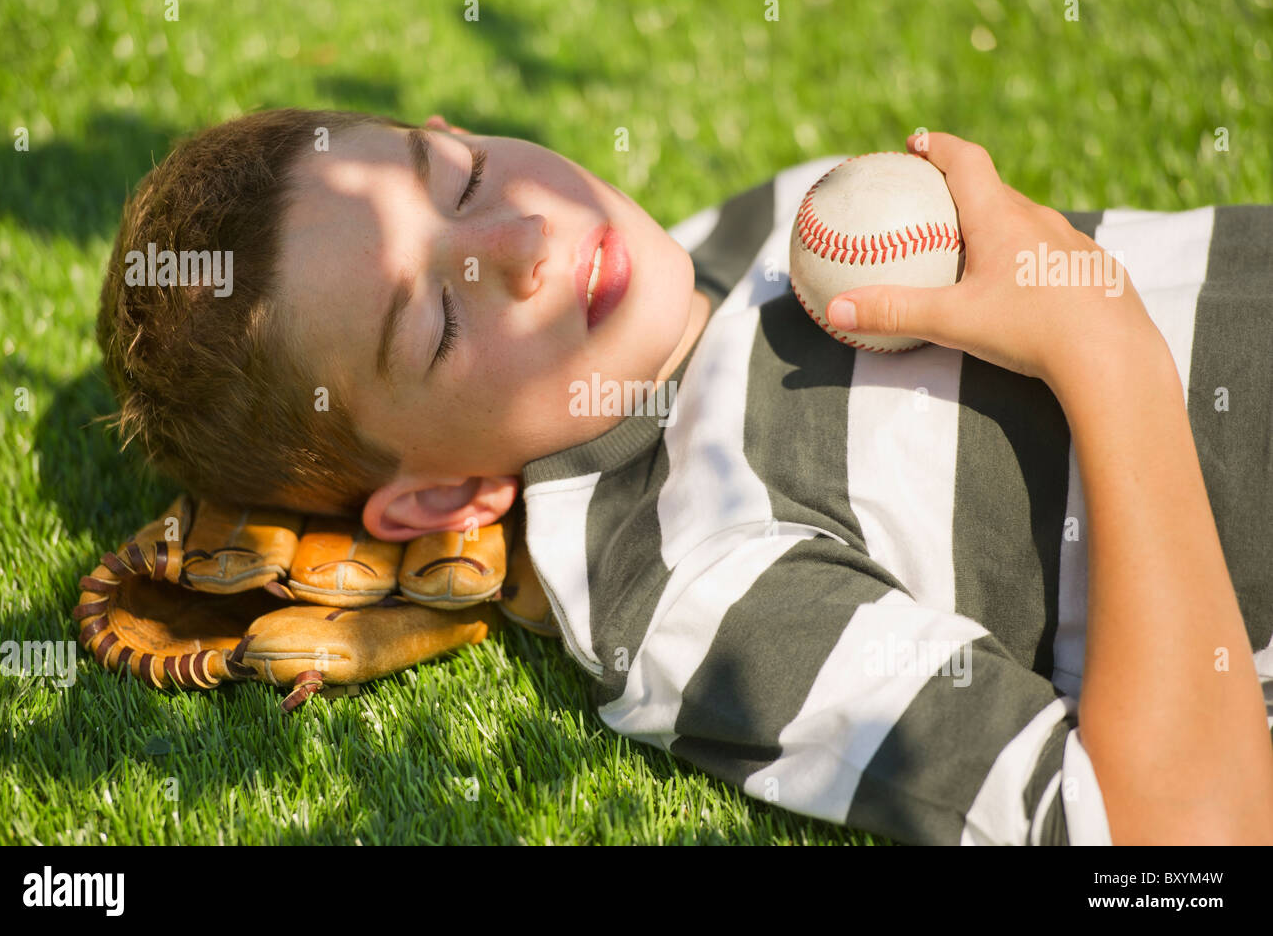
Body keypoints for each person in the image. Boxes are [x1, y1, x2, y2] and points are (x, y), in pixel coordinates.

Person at [98, 110, 1273, 844]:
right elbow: (1173, 834)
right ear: (438, 504)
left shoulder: (755, 230)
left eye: (457, 173)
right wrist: (1102, 345)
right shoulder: (697, 586)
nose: (524, 238)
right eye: (439, 325)